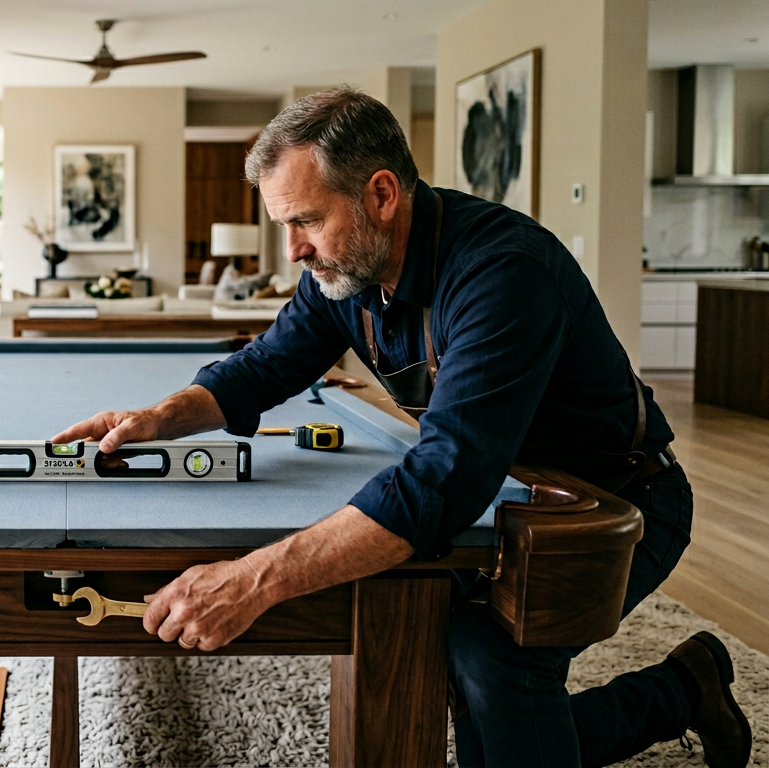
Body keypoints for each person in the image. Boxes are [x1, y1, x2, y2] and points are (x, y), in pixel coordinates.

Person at [52, 88, 751, 768]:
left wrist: (253, 579)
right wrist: (155, 420)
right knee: (437, 646)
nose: (292, 249)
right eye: (283, 226)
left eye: (306, 221)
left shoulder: (501, 273)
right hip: (508, 496)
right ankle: (686, 689)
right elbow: (264, 367)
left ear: (381, 195)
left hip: (613, 501)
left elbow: (443, 481)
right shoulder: (343, 271)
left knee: (491, 655)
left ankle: (680, 691)